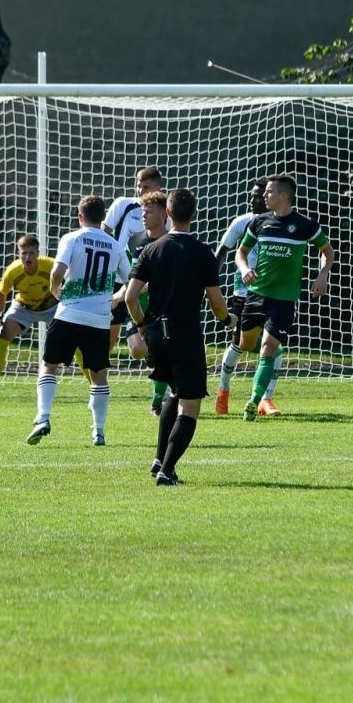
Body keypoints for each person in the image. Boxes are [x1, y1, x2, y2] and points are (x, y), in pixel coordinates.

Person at [124, 188, 236, 486]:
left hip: (157, 336)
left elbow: (131, 297)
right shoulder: (202, 253)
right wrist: (228, 319)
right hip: (185, 336)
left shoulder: (150, 249)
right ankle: (167, 471)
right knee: (190, 405)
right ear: (194, 214)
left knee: (173, 394)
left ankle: (159, 459)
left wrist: (141, 325)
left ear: (169, 213)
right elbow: (216, 302)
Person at [27, 195, 129, 447]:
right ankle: (99, 431)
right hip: (99, 319)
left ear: (79, 216)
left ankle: (43, 417)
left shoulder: (71, 238)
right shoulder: (115, 246)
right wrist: (115, 298)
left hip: (69, 314)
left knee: (49, 365)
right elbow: (133, 283)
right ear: (103, 217)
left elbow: (57, 272)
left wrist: (55, 290)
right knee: (99, 376)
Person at [233, 174, 332, 422]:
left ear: (283, 195)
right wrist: (245, 270)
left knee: (267, 348)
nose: (264, 196)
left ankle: (254, 401)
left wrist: (322, 275)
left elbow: (327, 251)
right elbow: (241, 252)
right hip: (256, 296)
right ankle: (272, 347)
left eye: (269, 192)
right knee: (246, 345)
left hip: (284, 300)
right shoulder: (259, 223)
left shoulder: (304, 225)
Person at [214, 178, 284, 416]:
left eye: (258, 195)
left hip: (273, 293)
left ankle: (266, 399)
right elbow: (222, 252)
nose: (253, 199)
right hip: (243, 294)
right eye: (252, 195)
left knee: (275, 346)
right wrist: (210, 283)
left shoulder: (281, 224)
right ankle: (223, 393)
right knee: (239, 343)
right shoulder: (241, 222)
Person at [113, 189, 171, 414]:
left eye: (149, 211)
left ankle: (157, 402)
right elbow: (130, 278)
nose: (143, 215)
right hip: (137, 308)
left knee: (162, 355)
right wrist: (117, 297)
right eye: (142, 211)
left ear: (164, 214)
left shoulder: (170, 241)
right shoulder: (134, 241)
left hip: (162, 310)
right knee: (138, 350)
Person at [0, 233, 57, 398]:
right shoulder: (13, 271)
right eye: (24, 253)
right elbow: (2, 293)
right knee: (3, 335)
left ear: (38, 253)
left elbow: (67, 281)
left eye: (31, 253)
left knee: (74, 338)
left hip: (51, 306)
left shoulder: (50, 266)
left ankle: (93, 385)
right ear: (19, 254)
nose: (27, 257)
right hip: (24, 307)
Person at [103, 166, 164, 353]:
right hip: (117, 279)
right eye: (139, 186)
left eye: (147, 187)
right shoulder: (123, 204)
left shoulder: (164, 214)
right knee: (109, 338)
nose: (141, 191)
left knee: (142, 347)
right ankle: (97, 380)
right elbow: (103, 234)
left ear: (158, 188)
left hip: (143, 284)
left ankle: (158, 365)